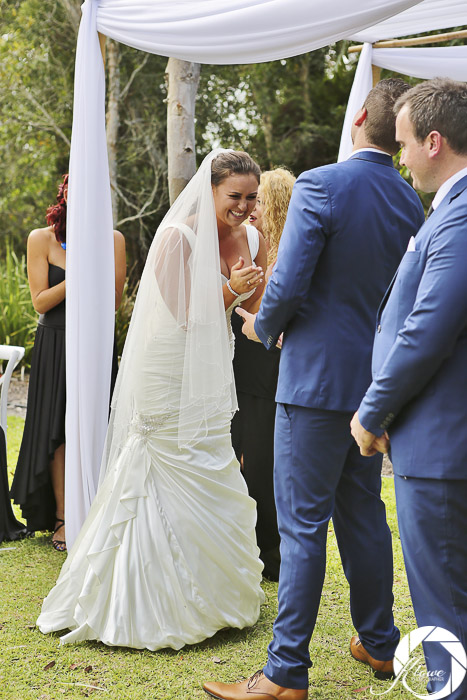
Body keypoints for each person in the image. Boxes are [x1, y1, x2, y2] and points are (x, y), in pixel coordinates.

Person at [203, 79, 425, 700]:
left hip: (312, 384)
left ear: (357, 119)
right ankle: (379, 644)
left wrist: (260, 326)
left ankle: (284, 674)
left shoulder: (323, 184)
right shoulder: (410, 202)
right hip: (374, 386)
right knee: (362, 515)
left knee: (302, 525)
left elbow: (290, 283)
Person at [37, 149, 266, 651]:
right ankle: (141, 598)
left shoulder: (253, 235)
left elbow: (255, 307)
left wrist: (253, 293)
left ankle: (213, 592)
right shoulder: (176, 237)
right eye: (235, 196)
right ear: (210, 190)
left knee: (210, 457)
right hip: (168, 365)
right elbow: (187, 313)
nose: (246, 206)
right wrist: (231, 288)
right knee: (158, 462)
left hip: (212, 363)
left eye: (252, 196)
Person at [351, 78, 467, 700]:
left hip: (443, 442)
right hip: (440, 435)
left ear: (434, 140)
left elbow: (429, 327)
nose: (398, 158)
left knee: (443, 601)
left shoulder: (463, 209)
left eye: (401, 146)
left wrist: (372, 412)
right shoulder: (449, 206)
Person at [11, 175, 126, 552]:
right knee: (58, 429)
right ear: (64, 198)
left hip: (95, 341)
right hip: (56, 340)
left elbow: (113, 302)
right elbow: (40, 301)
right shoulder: (40, 239)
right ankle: (63, 517)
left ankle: (97, 513)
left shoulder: (113, 240)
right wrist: (78, 272)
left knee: (95, 425)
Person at [231, 167, 296, 581]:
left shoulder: (291, 251)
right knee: (238, 452)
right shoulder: (252, 245)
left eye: (259, 200)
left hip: (268, 366)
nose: (251, 208)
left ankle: (269, 554)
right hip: (243, 362)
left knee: (263, 459)